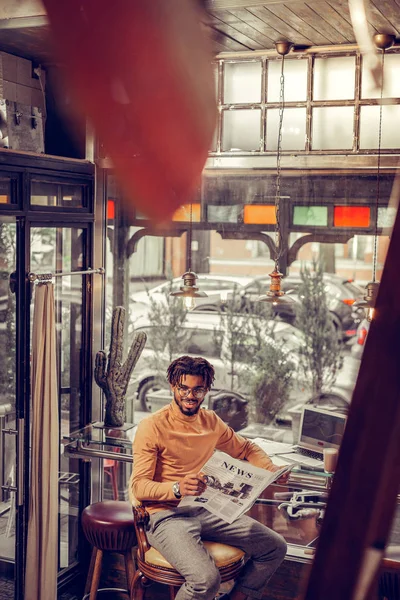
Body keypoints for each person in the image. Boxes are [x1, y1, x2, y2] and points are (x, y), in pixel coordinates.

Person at [130, 355, 287, 600]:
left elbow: (247, 449)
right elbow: (139, 486)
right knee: (205, 580)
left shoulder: (211, 421)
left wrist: (270, 469)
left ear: (206, 390)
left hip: (205, 509)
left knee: (274, 546)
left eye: (197, 390)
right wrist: (177, 488)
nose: (190, 396)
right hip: (165, 515)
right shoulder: (152, 426)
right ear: (173, 385)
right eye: (183, 388)